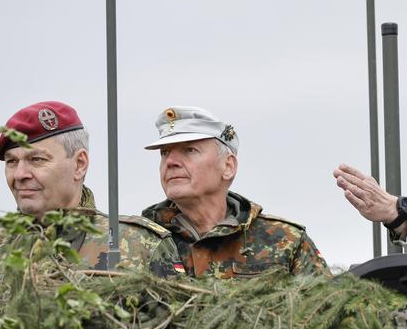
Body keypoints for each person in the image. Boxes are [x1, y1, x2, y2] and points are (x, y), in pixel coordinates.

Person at [0, 101, 183, 287]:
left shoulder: (140, 246)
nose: (20, 174)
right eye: (12, 162)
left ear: (79, 164)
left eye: (37, 160)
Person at [141, 106, 329, 279]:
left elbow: (331, 308)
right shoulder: (136, 241)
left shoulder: (285, 241)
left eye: (189, 150)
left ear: (228, 166)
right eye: (164, 153)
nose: (171, 161)